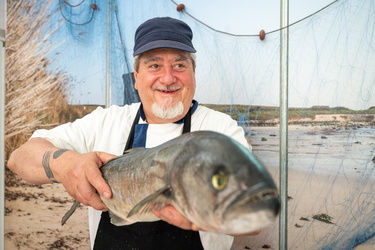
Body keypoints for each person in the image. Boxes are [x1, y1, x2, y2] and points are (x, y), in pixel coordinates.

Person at [8, 17, 259, 250]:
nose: (168, 77)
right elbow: (19, 159)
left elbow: (255, 217)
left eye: (180, 64)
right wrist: (66, 164)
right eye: (154, 65)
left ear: (193, 74)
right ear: (136, 77)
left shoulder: (221, 129)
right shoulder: (105, 121)